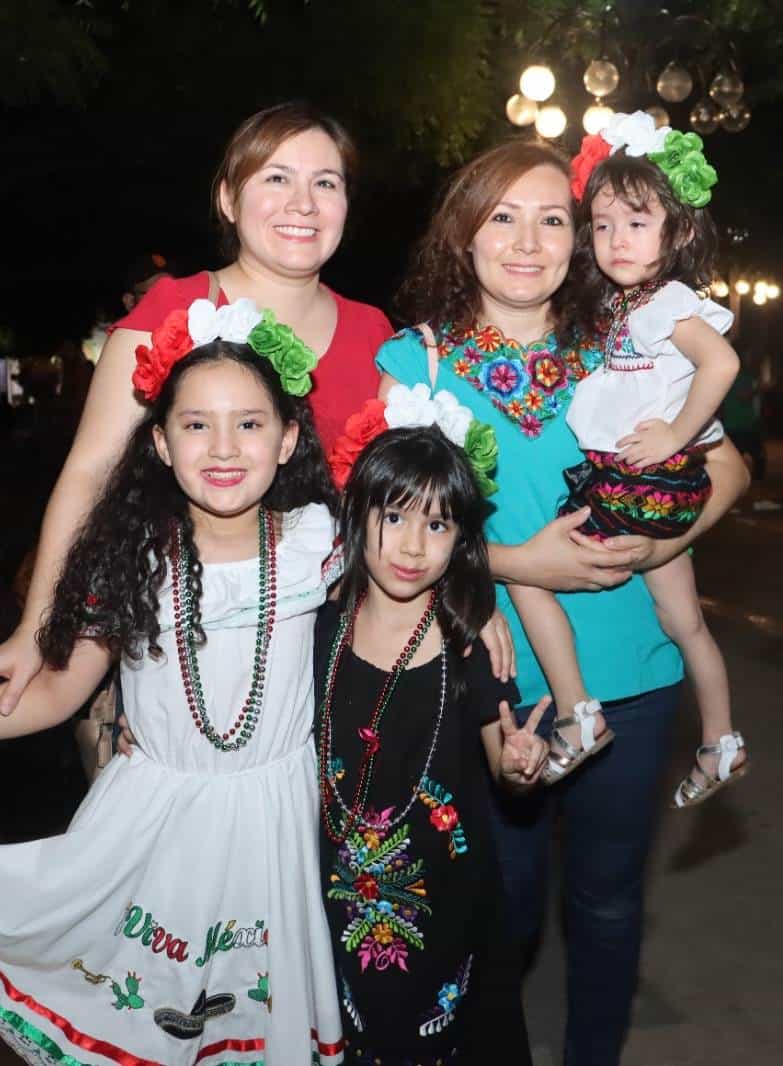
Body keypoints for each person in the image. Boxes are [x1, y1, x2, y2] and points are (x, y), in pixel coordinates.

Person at [0, 301, 348, 1062]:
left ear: (287, 439)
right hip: (154, 832)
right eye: (196, 424)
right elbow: (51, 694)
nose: (223, 447)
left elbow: (413, 582)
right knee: (152, 1027)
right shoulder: (135, 559)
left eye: (248, 423)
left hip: (274, 826)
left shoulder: (318, 542)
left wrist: (480, 609)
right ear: (160, 442)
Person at [377, 139, 749, 1066]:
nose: (527, 241)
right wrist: (511, 561)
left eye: (552, 219)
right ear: (464, 234)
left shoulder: (625, 338)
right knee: (498, 906)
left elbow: (730, 470)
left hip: (635, 673)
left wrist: (658, 544)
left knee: (608, 903)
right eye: (502, 217)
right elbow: (384, 533)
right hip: (492, 681)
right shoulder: (418, 362)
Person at [0, 102, 396, 718]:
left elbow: (388, 503)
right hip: (189, 658)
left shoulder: (376, 334)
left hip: (335, 650)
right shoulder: (173, 314)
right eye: (277, 178)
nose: (303, 204)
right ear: (229, 199)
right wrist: (37, 630)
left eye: (326, 183)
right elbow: (90, 474)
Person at [504, 111, 746, 809]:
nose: (616, 240)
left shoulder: (665, 303)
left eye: (637, 223)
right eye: (604, 225)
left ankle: (578, 714)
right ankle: (721, 741)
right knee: (684, 623)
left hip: (641, 482)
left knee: (526, 575)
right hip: (650, 487)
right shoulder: (622, 304)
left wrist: (676, 433)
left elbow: (723, 363)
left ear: (680, 232)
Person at [317, 408, 545, 1063]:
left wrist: (520, 765)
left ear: (462, 539)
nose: (413, 547)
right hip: (332, 894)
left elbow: (503, 761)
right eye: (394, 517)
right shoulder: (321, 628)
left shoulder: (469, 645)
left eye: (437, 524)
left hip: (445, 904)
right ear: (356, 515)